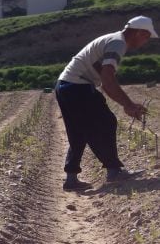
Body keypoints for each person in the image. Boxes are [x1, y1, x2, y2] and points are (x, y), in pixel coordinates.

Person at [56, 15, 157, 191]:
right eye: (147, 37)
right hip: (78, 86)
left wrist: (126, 102)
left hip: (65, 85)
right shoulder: (118, 43)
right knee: (106, 122)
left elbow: (104, 76)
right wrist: (128, 104)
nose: (146, 42)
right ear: (139, 32)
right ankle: (114, 171)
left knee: (78, 132)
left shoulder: (112, 39)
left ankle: (71, 178)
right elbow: (107, 80)